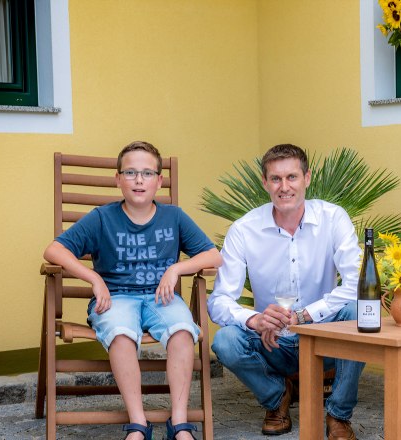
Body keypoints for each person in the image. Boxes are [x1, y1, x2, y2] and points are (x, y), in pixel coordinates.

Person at [43, 141, 222, 440]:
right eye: (130, 172)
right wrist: (93, 278)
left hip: (161, 299)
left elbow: (213, 255)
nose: (139, 180)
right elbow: (54, 250)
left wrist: (176, 269)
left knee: (182, 330)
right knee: (121, 333)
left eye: (147, 173)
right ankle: (138, 423)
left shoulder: (174, 217)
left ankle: (179, 423)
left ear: (159, 181)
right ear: (118, 179)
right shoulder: (103, 218)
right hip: (116, 299)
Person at [207, 144, 364, 440]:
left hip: (325, 340)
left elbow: (357, 284)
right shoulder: (244, 230)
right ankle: (276, 396)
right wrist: (254, 320)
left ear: (307, 178)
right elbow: (219, 301)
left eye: (291, 177)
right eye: (276, 179)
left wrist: (307, 315)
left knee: (359, 313)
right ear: (265, 183)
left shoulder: (333, 218)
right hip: (273, 343)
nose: (284, 187)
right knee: (226, 341)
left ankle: (338, 415)